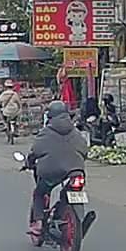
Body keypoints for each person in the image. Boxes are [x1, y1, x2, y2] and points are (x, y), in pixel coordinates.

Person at [25, 101, 89, 237]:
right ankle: (64, 213)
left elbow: (35, 151)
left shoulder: (45, 133)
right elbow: (85, 150)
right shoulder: (76, 132)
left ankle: (38, 223)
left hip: (51, 172)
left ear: (50, 116)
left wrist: (29, 162)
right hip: (75, 171)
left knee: (39, 193)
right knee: (70, 190)